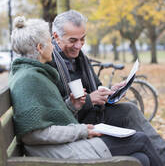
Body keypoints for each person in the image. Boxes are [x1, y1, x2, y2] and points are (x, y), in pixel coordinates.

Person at [9, 16, 163, 166]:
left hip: (68, 137)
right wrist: (83, 129)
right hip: (61, 147)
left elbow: (53, 113)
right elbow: (33, 134)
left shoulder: (36, 73)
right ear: (40, 48)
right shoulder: (30, 78)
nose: (52, 46)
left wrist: (74, 104)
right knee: (140, 141)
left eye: (82, 39)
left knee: (141, 157)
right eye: (50, 41)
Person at [50, 9, 165, 164]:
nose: (78, 46)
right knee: (140, 155)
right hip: (77, 125)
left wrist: (110, 91)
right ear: (56, 36)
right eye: (72, 40)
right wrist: (90, 99)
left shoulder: (80, 58)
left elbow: (96, 87)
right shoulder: (50, 63)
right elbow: (56, 112)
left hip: (92, 115)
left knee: (129, 110)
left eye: (82, 39)